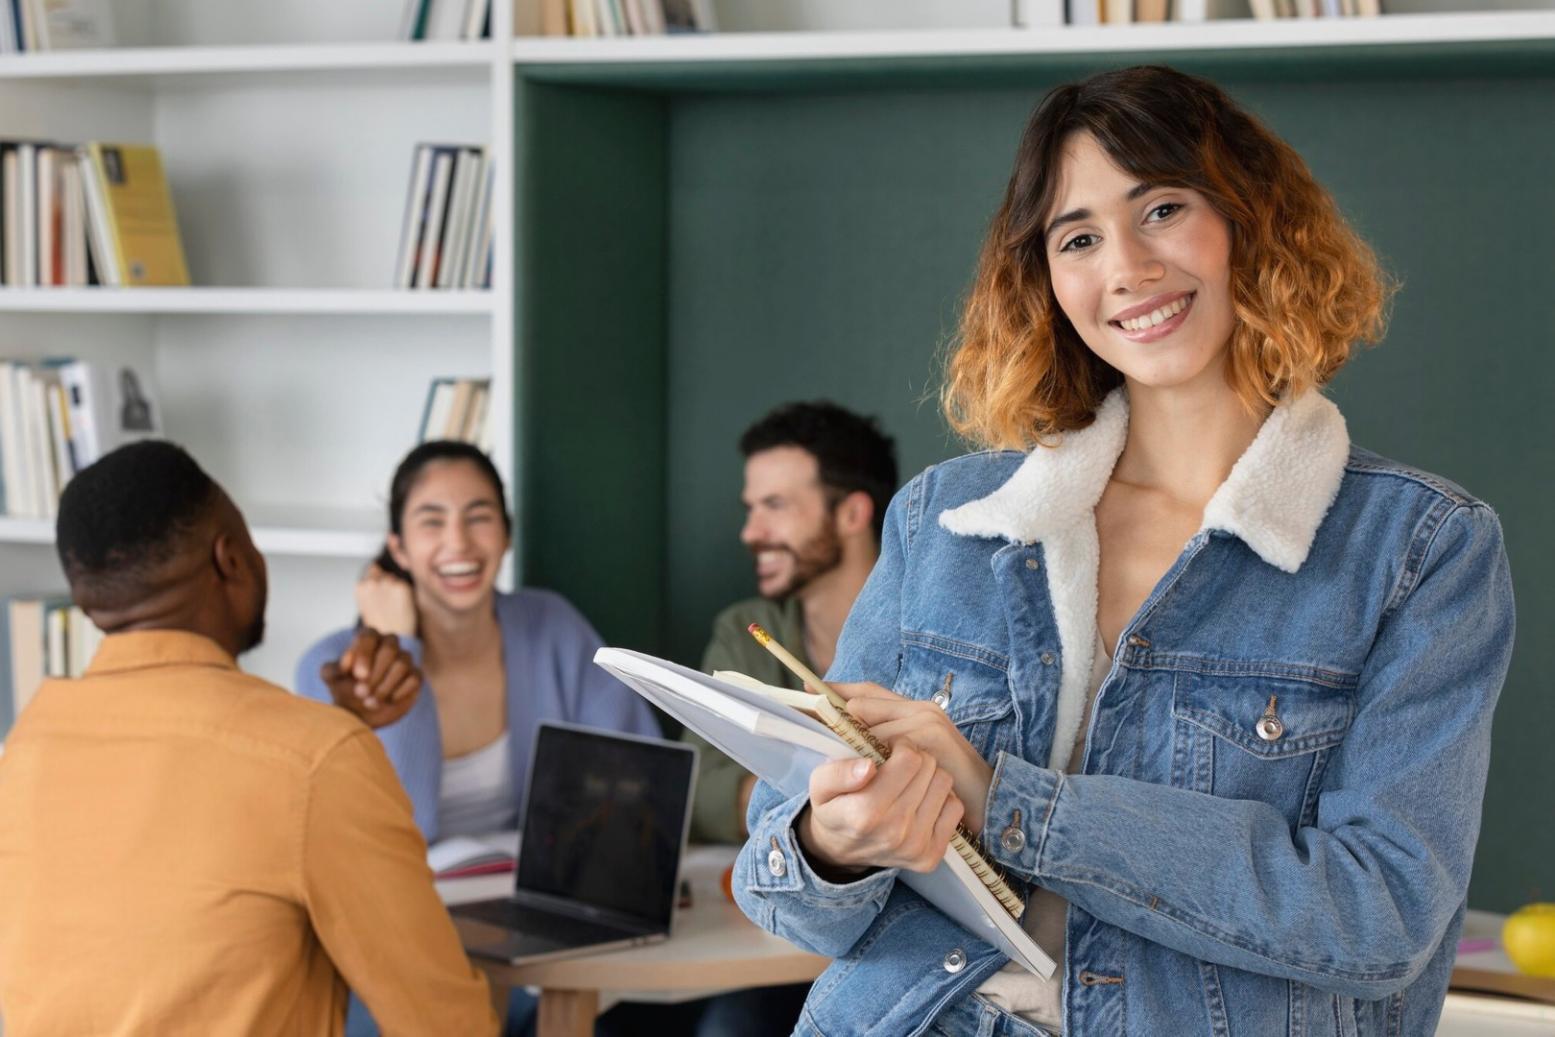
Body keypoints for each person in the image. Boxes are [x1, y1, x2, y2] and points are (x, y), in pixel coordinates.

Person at [733, 65, 1515, 1037]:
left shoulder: (1420, 548)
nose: (1127, 268)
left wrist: (1009, 804)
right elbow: (780, 892)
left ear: (1250, 218)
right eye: (1078, 238)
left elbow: (1380, 911)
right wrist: (834, 839)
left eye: (1161, 210)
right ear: (1045, 279)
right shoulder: (944, 518)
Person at [0, 440, 497, 1036]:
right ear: (231, 558)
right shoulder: (312, 761)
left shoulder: (28, 746)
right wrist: (335, 747)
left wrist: (340, 732)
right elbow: (443, 1022)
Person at [296, 440, 658, 1036]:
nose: (459, 543)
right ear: (397, 549)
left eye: (479, 517)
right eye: (431, 521)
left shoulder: (552, 628)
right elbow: (398, 830)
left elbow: (636, 785)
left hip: (534, 928)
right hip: (394, 940)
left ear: (506, 535)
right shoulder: (330, 667)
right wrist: (398, 651)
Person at [688, 400, 899, 845]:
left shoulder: (929, 633)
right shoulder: (744, 631)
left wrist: (773, 790)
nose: (750, 532)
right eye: (751, 508)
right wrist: (831, 796)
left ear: (851, 515)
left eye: (775, 505)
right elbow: (698, 787)